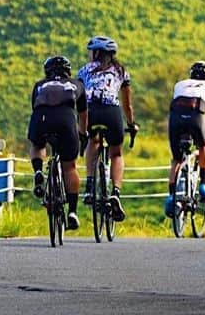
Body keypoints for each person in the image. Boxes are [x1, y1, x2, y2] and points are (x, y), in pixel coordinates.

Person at [78, 35, 137, 222]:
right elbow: (127, 105)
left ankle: (89, 186)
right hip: (112, 112)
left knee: (93, 141)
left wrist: (80, 126)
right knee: (116, 154)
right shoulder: (121, 71)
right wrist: (131, 124)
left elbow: (79, 99)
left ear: (95, 53)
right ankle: (116, 193)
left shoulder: (84, 70)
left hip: (91, 110)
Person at [27, 54, 86, 230]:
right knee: (70, 167)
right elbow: (83, 114)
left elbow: (35, 107)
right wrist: (83, 134)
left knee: (38, 145)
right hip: (66, 119)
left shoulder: (39, 85)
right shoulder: (77, 84)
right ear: (68, 71)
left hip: (41, 117)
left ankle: (38, 171)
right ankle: (73, 212)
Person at [164, 60, 205, 218]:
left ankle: (171, 196)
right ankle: (203, 183)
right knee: (204, 146)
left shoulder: (179, 84)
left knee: (176, 159)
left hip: (175, 119)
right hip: (197, 117)